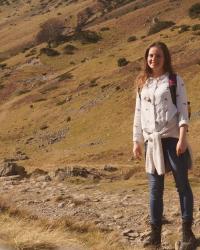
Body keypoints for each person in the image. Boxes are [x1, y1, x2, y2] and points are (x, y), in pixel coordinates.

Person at [132, 42, 196, 248]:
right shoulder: (143, 84)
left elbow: (184, 110)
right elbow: (139, 114)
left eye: (158, 56)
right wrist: (137, 141)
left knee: (182, 186)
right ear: (146, 59)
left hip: (172, 139)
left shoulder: (175, 80)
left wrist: (183, 137)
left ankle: (187, 235)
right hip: (152, 142)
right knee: (154, 189)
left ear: (165, 58)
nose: (154, 59)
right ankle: (155, 236)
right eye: (151, 56)